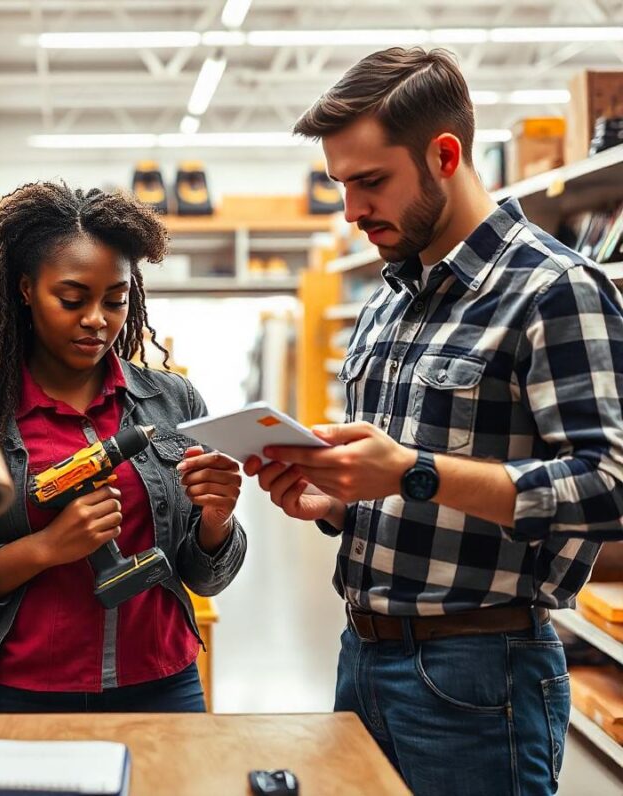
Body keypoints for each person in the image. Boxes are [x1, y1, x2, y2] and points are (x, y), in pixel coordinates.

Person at [246, 47, 623, 795]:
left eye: (370, 182)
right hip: (362, 653)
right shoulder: (389, 298)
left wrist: (414, 472)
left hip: (480, 675)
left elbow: (609, 487)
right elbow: (396, 487)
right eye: (341, 186)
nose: (352, 211)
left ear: (444, 154)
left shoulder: (553, 291)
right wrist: (337, 501)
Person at [0, 182, 247, 713]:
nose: (97, 320)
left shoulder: (173, 403)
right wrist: (42, 550)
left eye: (116, 300)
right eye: (71, 299)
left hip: (164, 685)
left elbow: (206, 577)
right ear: (24, 290)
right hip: (19, 694)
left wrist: (216, 523)